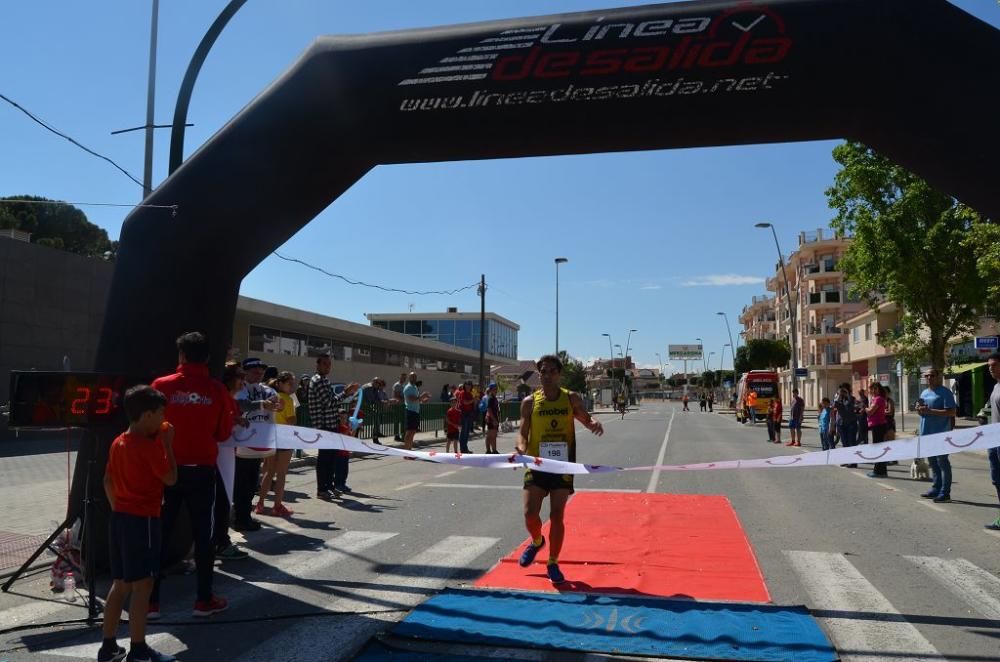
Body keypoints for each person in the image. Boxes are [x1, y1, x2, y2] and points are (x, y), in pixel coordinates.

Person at [149, 332, 233, 619]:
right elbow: (223, 433)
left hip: (165, 471)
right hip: (202, 472)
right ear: (207, 358)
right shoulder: (218, 390)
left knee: (158, 534)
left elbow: (147, 428)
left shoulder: (160, 386)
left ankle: (149, 603)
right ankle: (203, 600)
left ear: (181, 356)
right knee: (204, 536)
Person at [98, 385, 177, 662]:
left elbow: (107, 480)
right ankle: (139, 650)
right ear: (146, 415)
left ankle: (108, 647)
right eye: (160, 414)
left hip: (120, 518)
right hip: (143, 520)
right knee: (143, 586)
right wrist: (167, 443)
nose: (163, 419)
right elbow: (170, 479)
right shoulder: (149, 446)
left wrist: (119, 507)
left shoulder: (118, 441)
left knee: (120, 584)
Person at [516, 355, 604, 585]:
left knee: (557, 516)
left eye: (552, 371)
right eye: (543, 371)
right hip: (537, 466)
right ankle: (537, 542)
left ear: (559, 374)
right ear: (539, 374)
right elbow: (522, 432)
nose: (547, 375)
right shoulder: (529, 402)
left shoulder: (570, 398)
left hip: (562, 466)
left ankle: (553, 562)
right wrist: (521, 449)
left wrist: (593, 423)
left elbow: (586, 418)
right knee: (530, 514)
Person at [233, 358, 279, 531]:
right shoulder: (240, 387)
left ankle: (244, 515)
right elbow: (240, 405)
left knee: (252, 483)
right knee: (241, 483)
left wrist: (277, 403)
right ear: (245, 372)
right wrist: (261, 404)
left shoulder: (265, 389)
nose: (259, 374)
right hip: (241, 443)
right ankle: (240, 517)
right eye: (255, 371)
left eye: (261, 372)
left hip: (257, 443)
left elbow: (275, 400)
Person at [308, 354, 359, 500]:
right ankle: (322, 489)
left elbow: (331, 404)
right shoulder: (317, 381)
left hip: (331, 424)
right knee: (324, 459)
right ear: (318, 365)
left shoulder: (324, 380)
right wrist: (345, 392)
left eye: (329, 364)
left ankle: (329, 486)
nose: (327, 367)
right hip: (324, 426)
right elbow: (329, 403)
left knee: (331, 459)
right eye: (324, 364)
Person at [214, 362, 249, 561]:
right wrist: (234, 421)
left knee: (224, 499)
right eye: (240, 378)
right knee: (221, 501)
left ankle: (221, 540)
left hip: (228, 455)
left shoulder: (231, 400)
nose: (243, 382)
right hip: (218, 456)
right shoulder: (222, 398)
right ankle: (221, 542)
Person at [255, 371, 297, 517]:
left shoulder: (270, 397)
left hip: (271, 437)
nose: (292, 386)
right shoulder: (288, 399)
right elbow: (291, 420)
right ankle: (277, 506)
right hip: (284, 438)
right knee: (281, 474)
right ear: (280, 384)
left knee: (269, 472)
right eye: (289, 383)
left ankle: (260, 504)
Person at [918, 368, 957, 503]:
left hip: (940, 433)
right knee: (933, 463)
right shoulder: (924, 392)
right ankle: (936, 488)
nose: (929, 378)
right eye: (927, 375)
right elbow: (923, 412)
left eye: (932, 375)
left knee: (942, 463)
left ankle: (945, 493)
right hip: (926, 433)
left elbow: (951, 412)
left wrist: (930, 411)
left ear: (938, 376)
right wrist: (920, 410)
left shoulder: (945, 392)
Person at [985, 353, 1000, 531]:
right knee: (996, 479)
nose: (991, 368)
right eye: (989, 365)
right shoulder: (996, 386)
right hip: (993, 439)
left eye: (994, 365)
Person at [865, 383, 890, 478]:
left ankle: (878, 471)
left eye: (875, 389)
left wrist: (865, 408)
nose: (873, 391)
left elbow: (870, 411)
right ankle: (882, 471)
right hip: (877, 426)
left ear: (879, 390)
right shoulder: (875, 399)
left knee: (878, 449)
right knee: (879, 448)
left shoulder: (879, 399)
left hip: (879, 426)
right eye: (872, 389)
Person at [402, 372, 432, 451]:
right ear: (409, 378)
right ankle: (406, 452)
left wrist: (423, 400)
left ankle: (410, 450)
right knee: (409, 432)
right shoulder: (408, 387)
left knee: (412, 432)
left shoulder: (414, 387)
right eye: (412, 377)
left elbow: (417, 400)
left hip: (416, 411)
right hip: (410, 411)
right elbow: (411, 399)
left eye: (415, 377)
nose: (414, 378)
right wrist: (422, 396)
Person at [831, 383, 859, 466]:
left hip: (851, 424)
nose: (842, 392)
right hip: (841, 424)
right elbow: (833, 405)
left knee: (851, 443)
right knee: (844, 443)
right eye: (841, 391)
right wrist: (839, 396)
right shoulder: (838, 399)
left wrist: (848, 394)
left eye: (844, 390)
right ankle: (846, 460)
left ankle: (853, 462)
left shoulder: (852, 399)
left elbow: (848, 407)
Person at [455, 380, 476, 453]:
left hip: (469, 414)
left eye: (469, 385)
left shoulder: (470, 394)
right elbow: (465, 402)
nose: (468, 386)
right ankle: (462, 448)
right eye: (467, 384)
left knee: (467, 432)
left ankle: (465, 448)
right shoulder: (462, 393)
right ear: (464, 385)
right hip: (464, 414)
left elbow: (472, 403)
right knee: (463, 431)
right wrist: (473, 400)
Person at [484, 383, 501, 454]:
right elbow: (489, 410)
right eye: (494, 389)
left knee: (491, 435)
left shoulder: (494, 398)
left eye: (496, 389)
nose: (496, 390)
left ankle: (491, 450)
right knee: (491, 435)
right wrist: (494, 420)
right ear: (490, 390)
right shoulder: (491, 398)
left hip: (493, 417)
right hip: (492, 419)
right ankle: (492, 450)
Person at [392, 373, 407, 441]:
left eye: (405, 378)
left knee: (403, 420)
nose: (404, 379)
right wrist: (404, 398)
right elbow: (396, 395)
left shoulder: (404, 385)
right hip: (397, 405)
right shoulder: (397, 385)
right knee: (397, 421)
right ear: (400, 377)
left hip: (403, 405)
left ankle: (403, 435)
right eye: (403, 377)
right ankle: (396, 435)